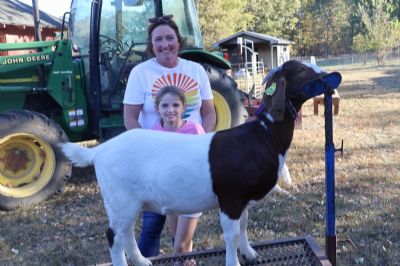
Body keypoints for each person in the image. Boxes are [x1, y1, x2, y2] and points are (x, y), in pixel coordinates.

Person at [123, 15, 216, 257]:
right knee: (153, 222)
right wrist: (148, 151)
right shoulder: (140, 73)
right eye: (158, 39)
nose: (165, 44)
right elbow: (130, 118)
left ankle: (184, 258)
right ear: (151, 45)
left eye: (169, 38)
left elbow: (208, 113)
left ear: (179, 41)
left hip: (190, 159)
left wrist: (199, 145)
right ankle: (149, 261)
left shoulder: (196, 70)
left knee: (186, 218)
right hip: (156, 160)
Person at [152, 86, 204, 255]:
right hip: (169, 195)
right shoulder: (154, 132)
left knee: (180, 247)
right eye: (165, 106)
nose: (170, 110)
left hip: (192, 194)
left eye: (175, 105)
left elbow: (205, 160)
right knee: (182, 245)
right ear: (157, 109)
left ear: (184, 107)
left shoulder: (195, 130)